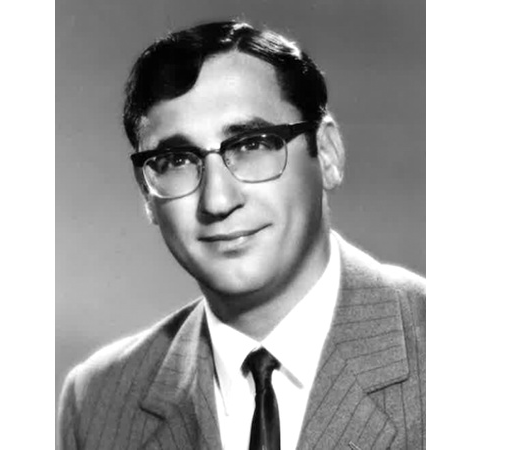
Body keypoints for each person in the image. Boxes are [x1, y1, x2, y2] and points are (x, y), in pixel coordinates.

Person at [57, 20, 425, 450]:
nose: (217, 200)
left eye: (252, 145)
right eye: (177, 160)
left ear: (327, 153)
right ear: (147, 194)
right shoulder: (97, 403)